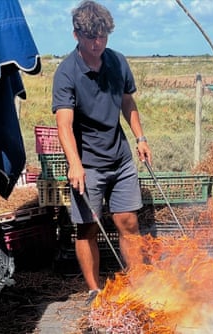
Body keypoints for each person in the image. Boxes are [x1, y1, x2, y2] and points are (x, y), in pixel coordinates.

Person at [52, 0, 152, 304]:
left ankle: (139, 286)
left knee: (129, 223)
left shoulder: (118, 62)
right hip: (88, 164)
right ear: (76, 35)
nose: (98, 44)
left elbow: (127, 102)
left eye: (103, 37)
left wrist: (140, 138)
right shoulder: (66, 73)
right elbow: (64, 125)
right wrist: (75, 164)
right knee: (87, 228)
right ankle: (95, 290)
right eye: (91, 37)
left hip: (119, 157)